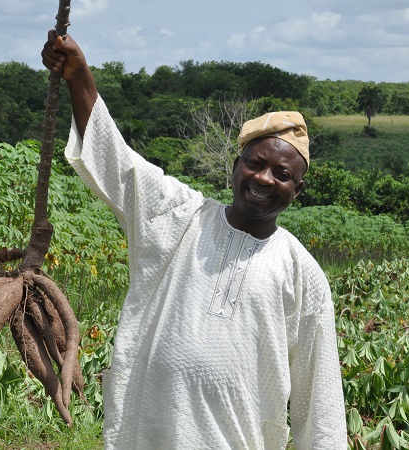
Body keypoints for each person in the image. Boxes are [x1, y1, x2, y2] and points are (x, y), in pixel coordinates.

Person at [42, 30, 347, 449]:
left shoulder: (302, 272)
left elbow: (321, 398)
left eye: (282, 174)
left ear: (297, 190)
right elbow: (117, 161)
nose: (264, 178)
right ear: (236, 166)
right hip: (148, 435)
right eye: (255, 163)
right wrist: (79, 76)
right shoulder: (179, 215)